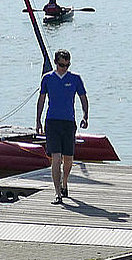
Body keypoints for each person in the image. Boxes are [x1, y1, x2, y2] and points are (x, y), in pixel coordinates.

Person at [33, 49, 90, 205]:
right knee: (56, 158)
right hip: (52, 122)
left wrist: (85, 116)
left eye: (66, 65)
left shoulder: (75, 79)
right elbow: (41, 100)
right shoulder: (47, 78)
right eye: (61, 65)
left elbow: (83, 98)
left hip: (69, 122)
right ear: (55, 63)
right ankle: (57, 193)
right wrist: (38, 120)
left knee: (68, 160)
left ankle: (65, 182)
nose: (63, 68)